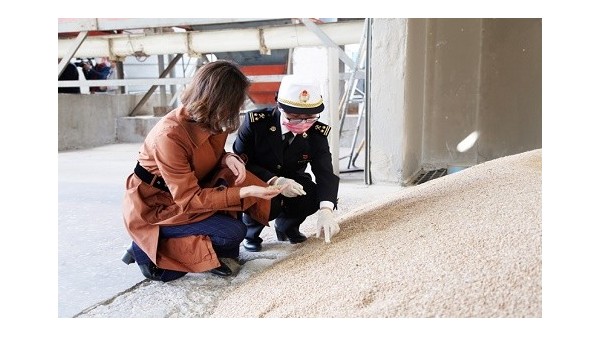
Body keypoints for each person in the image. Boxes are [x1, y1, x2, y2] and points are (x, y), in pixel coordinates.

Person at [120, 60, 282, 282]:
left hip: (189, 189)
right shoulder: (169, 136)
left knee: (236, 232)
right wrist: (242, 193)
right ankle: (145, 242)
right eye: (236, 103)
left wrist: (229, 157)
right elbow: (189, 199)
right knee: (232, 233)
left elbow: (206, 153)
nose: (240, 108)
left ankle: (203, 252)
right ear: (219, 101)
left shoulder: (210, 118)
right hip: (158, 204)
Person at [233, 75, 341, 252]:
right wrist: (275, 180)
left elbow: (325, 173)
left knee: (312, 195)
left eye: (309, 117)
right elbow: (240, 162)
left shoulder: (316, 133)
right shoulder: (256, 124)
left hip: (294, 179)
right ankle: (251, 234)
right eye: (294, 116)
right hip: (259, 180)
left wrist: (326, 209)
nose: (302, 123)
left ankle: (286, 227)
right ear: (279, 106)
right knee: (267, 201)